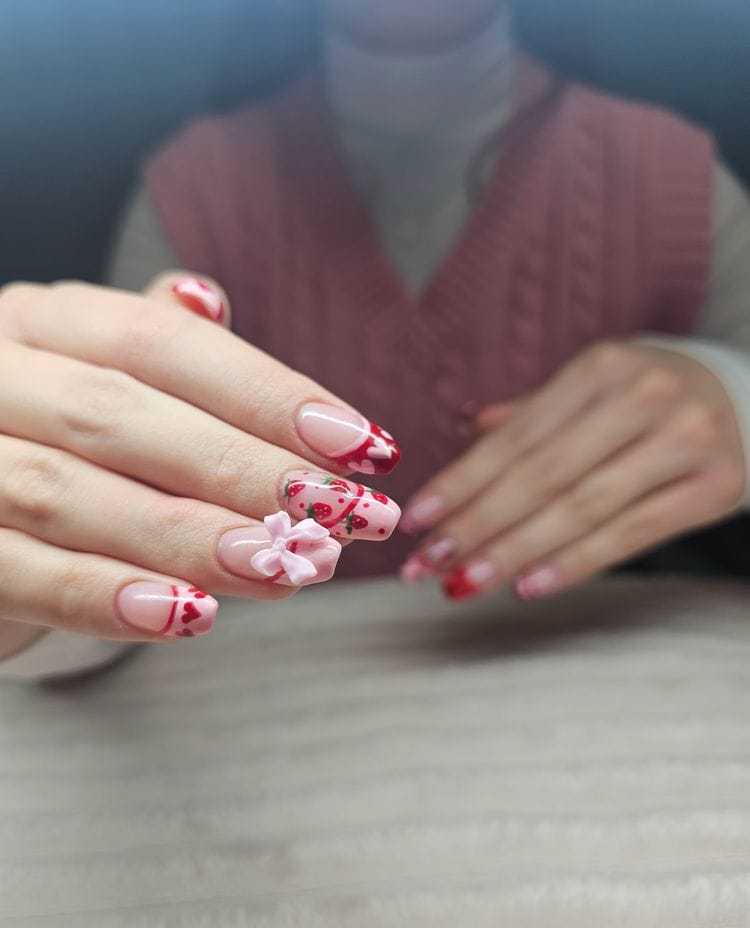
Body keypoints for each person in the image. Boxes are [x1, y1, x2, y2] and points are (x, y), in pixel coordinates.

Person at [2, 0, 750, 676]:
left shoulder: (678, 175)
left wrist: (734, 400)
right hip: (271, 736)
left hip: (612, 705)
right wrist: (31, 606)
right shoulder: (189, 189)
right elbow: (108, 581)